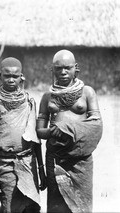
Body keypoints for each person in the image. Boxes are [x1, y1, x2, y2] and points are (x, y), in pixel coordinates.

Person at [36, 49, 103, 213]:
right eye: (58, 68)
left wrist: (67, 129)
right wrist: (53, 131)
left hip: (81, 160)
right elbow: (39, 131)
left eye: (67, 67)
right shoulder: (47, 97)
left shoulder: (87, 92)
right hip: (56, 158)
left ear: (76, 68)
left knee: (82, 206)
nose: (63, 72)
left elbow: (97, 125)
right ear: (52, 70)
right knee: (56, 205)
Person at [0, 57, 46, 213]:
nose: (11, 79)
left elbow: (35, 138)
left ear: (21, 77)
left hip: (28, 163)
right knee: (9, 207)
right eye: (7, 76)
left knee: (31, 207)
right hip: (5, 164)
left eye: (15, 76)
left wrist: (41, 169)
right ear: (0, 77)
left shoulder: (29, 101)